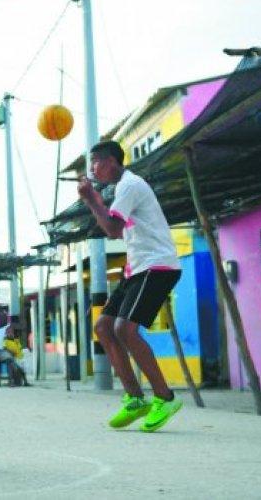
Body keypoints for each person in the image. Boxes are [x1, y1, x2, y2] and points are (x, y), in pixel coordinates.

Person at [77, 140, 182, 432]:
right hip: (137, 269)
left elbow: (112, 229)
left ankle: (165, 397)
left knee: (125, 329)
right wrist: (96, 199)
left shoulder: (130, 185)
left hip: (157, 266)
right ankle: (135, 399)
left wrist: (91, 199)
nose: (92, 168)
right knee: (104, 327)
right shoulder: (122, 187)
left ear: (112, 161)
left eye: (96, 161)